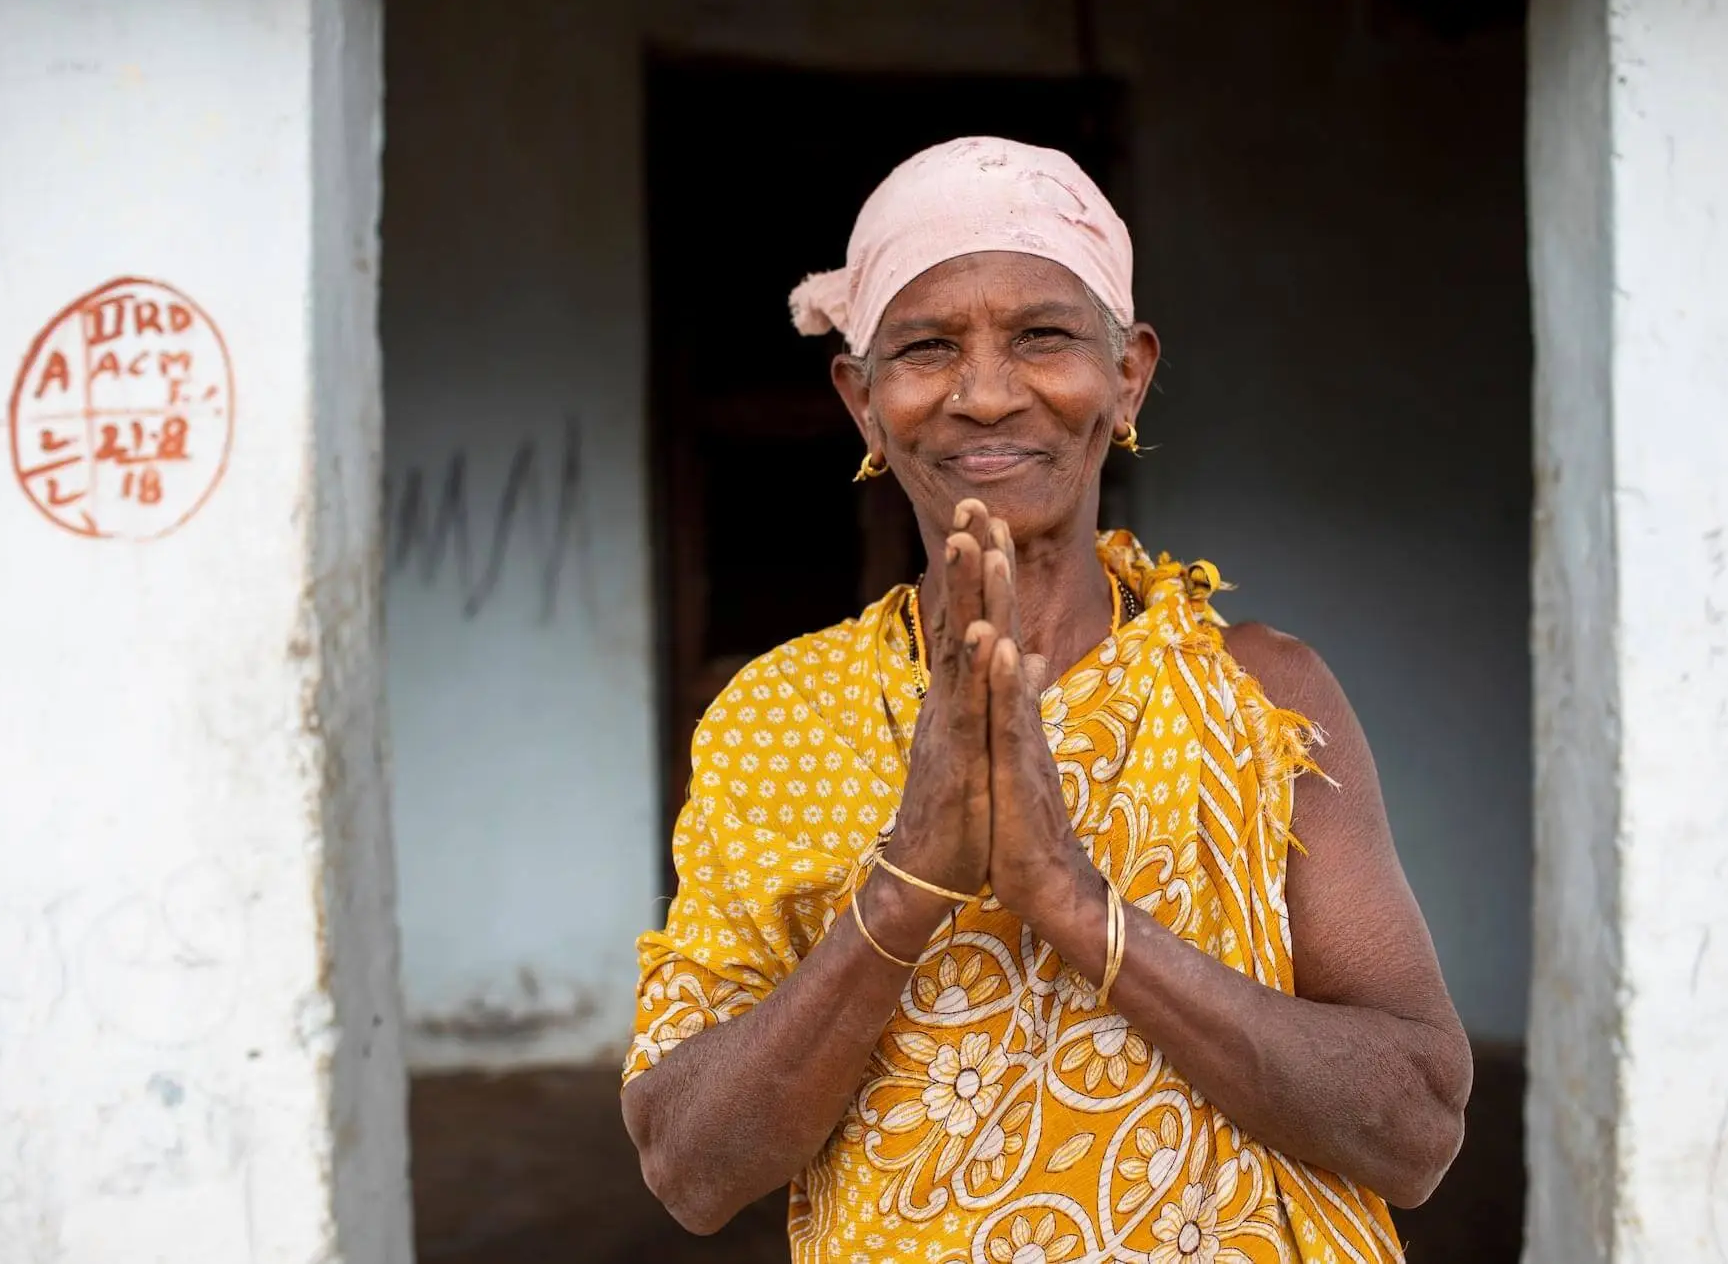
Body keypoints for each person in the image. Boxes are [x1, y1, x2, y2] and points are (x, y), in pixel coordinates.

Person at [621, 136, 1469, 1263]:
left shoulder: (1260, 696)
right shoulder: (779, 718)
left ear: (1128, 376)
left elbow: (1413, 1129)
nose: (983, 394)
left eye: (1043, 336)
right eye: (925, 348)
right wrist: (910, 882)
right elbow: (689, 1165)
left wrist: (1070, 902)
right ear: (862, 401)